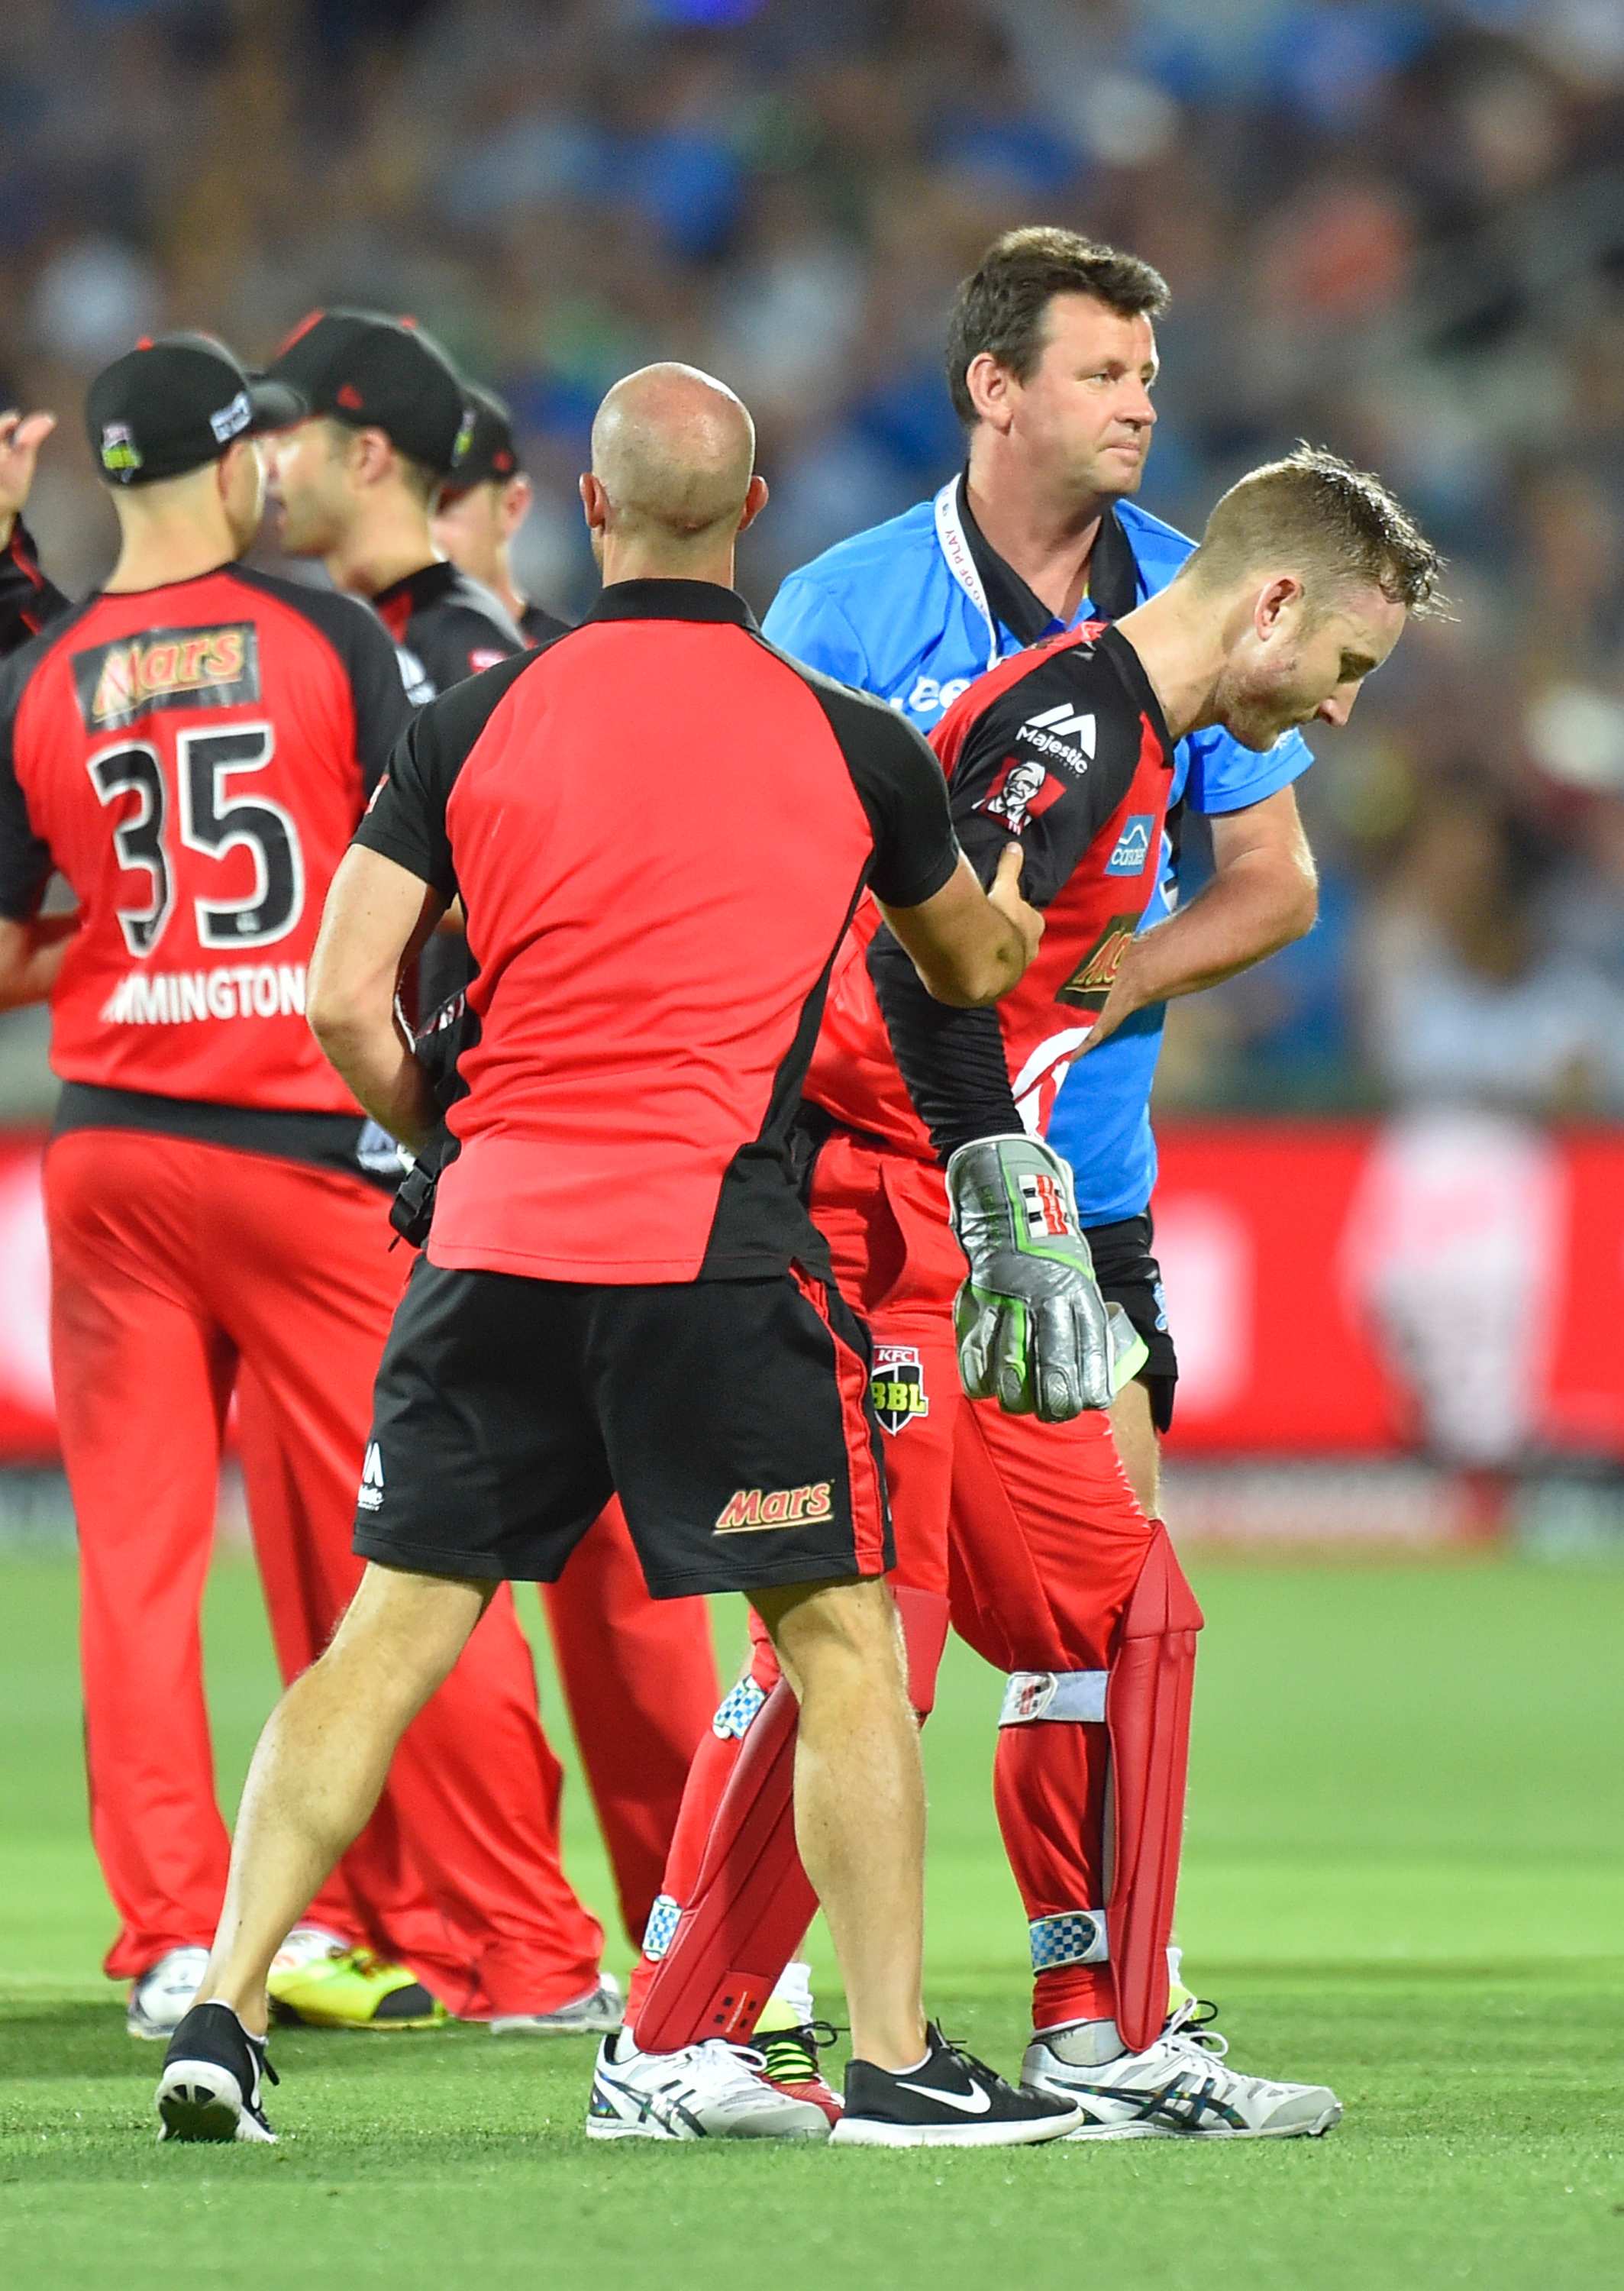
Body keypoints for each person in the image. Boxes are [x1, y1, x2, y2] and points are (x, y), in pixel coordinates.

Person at [153, 362, 1080, 2154]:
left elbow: (344, 999)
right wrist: (1023, 878)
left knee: (391, 1627)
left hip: (490, 1235)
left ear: (587, 512)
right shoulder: (842, 737)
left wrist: (446, 1139)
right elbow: (968, 968)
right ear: (750, 517)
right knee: (838, 1635)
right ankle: (884, 2054)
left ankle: (224, 2000)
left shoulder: (470, 721)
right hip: (705, 1243)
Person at [621, 445, 1441, 2141]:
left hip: (948, 1216)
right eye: (1348, 668)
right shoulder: (1069, 730)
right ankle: (673, 2045)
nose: (1345, 712)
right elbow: (925, 977)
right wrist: (1004, 1193)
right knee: (865, 1641)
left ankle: (1105, 2032)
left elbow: (989, 973)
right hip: (861, 1216)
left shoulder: (1122, 738)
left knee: (1113, 1603)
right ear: (1271, 603)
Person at [0, 335, 625, 2039]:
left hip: (108, 1137)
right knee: (429, 1545)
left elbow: (12, 940)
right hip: (297, 1146)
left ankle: (170, 1943)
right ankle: (524, 1949)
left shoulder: (44, 676)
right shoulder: (329, 636)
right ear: (232, 466)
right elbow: (446, 854)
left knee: (128, 1566)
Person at [261, 309, 725, 1953]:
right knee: (534, 1580)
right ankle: (595, 1938)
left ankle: (589, 1938)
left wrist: (444, 1119)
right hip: (509, 1169)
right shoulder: (391, 640)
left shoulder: (462, 660)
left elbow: (487, 937)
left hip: (499, 1172)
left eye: (292, 436)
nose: (264, 467)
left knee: (555, 1585)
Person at [764, 226, 1322, 1517]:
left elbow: (1273, 877)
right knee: (838, 1624)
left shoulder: (1192, 596)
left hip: (1083, 1187)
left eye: (1146, 375)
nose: (1140, 403)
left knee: (1107, 1622)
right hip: (866, 1180)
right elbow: (769, 876)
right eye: (1103, 373)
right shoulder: (842, 610)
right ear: (995, 390)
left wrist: (1103, 981)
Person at [429, 382, 557, 642]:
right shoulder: (372, 656)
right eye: (416, 505)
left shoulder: (564, 659)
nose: (427, 533)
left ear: (512, 506)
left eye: (445, 505)